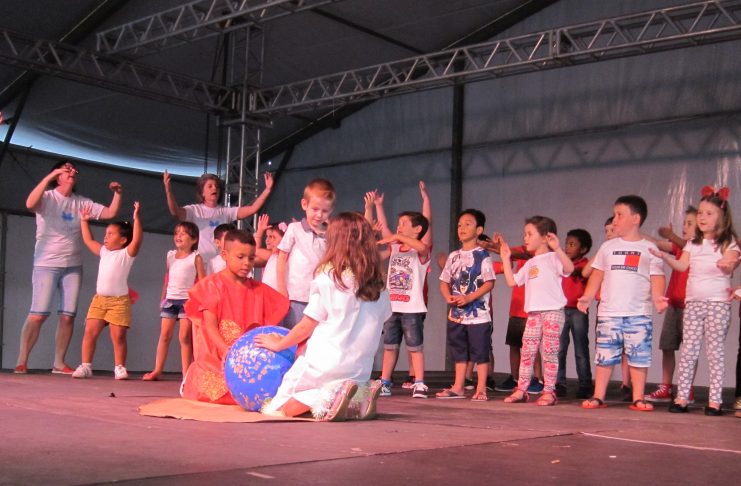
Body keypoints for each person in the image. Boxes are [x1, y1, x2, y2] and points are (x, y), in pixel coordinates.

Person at [256, 212, 391, 420]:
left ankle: (328, 397)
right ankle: (359, 399)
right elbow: (383, 319)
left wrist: (279, 344)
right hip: (359, 367)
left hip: (324, 363)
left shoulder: (329, 280)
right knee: (347, 387)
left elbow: (307, 325)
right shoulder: (380, 286)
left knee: (281, 407)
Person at [15, 160, 122, 375]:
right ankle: (22, 360)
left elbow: (110, 213)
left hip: (72, 265)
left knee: (67, 316)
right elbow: (29, 203)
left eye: (74, 169)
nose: (72, 171)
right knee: (38, 314)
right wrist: (49, 176)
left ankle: (59, 363)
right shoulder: (47, 197)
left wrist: (117, 193)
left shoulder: (80, 202)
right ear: (57, 175)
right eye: (66, 168)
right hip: (46, 263)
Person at [654, 187, 739, 415]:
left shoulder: (728, 242)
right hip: (693, 303)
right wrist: (664, 257)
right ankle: (682, 398)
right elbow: (682, 265)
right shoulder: (693, 243)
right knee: (689, 350)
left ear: (722, 217)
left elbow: (731, 262)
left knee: (715, 352)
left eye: (708, 213)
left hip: (717, 303)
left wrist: (727, 264)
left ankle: (715, 401)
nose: (702, 217)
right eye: (700, 213)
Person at [578, 195, 667, 411]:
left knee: (638, 356)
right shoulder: (607, 247)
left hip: (639, 313)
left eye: (620, 215)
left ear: (636, 219)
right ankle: (598, 395)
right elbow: (597, 275)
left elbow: (657, 276)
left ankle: (638, 397)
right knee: (605, 356)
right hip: (609, 312)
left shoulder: (649, 248)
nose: (615, 220)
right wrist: (587, 296)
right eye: (614, 215)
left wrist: (657, 296)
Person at [182, 229, 289, 404]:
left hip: (247, 361)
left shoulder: (259, 290)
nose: (246, 263)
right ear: (225, 255)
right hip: (217, 359)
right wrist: (227, 351)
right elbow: (210, 326)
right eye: (240, 257)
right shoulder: (211, 285)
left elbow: (280, 306)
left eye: (251, 258)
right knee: (216, 392)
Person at [498, 217, 574, 406]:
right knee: (527, 351)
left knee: (549, 352)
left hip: (552, 311)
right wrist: (505, 259)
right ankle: (521, 389)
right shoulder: (530, 263)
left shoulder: (554, 258)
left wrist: (557, 248)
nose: (525, 237)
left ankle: (549, 391)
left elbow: (569, 268)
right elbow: (512, 281)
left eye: (530, 234)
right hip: (533, 313)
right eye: (525, 234)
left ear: (545, 237)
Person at [368, 182, 432, 399]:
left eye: (404, 224)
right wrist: (378, 205)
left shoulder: (420, 250)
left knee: (415, 347)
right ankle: (385, 382)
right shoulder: (395, 247)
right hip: (392, 306)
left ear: (417, 230)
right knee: (390, 345)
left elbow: (421, 245)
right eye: (399, 224)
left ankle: (420, 382)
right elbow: (385, 229)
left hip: (412, 309)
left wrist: (398, 237)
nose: (399, 227)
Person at [72, 202, 142, 379]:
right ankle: (86, 366)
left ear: (123, 240)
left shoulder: (126, 254)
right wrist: (84, 221)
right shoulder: (104, 251)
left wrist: (136, 219)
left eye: (111, 234)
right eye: (106, 234)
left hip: (119, 301)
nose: (106, 237)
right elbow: (89, 240)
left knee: (118, 336)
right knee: (90, 332)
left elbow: (137, 240)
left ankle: (119, 367)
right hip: (99, 299)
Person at [437, 209, 495, 401]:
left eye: (468, 224)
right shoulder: (454, 256)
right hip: (456, 315)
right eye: (460, 225)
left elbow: (489, 282)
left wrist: (469, 298)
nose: (462, 228)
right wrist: (448, 296)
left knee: (481, 353)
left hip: (478, 316)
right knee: (459, 351)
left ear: (479, 230)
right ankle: (458, 387)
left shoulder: (483, 255)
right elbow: (444, 281)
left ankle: (481, 388)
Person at [163, 170, 273, 265]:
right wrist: (168, 191)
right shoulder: (194, 210)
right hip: (200, 263)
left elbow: (252, 209)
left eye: (216, 186)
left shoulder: (225, 211)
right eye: (210, 186)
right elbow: (175, 212)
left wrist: (267, 190)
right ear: (202, 192)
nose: (214, 188)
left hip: (221, 264)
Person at [645, 206, 697, 403]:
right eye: (684, 223)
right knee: (667, 346)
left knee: (689, 350)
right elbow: (658, 243)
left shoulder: (699, 248)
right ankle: (666, 386)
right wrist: (634, 233)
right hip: (674, 303)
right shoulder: (680, 247)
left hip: (690, 306)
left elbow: (685, 244)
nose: (685, 227)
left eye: (690, 224)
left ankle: (686, 388)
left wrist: (672, 235)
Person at [142, 222, 205, 381]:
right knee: (164, 335)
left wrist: (199, 302)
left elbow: (202, 282)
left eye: (183, 233)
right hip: (170, 300)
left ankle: (186, 373)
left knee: (184, 337)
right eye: (177, 233)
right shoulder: (170, 256)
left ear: (194, 239)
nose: (178, 236)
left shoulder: (195, 257)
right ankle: (157, 370)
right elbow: (167, 279)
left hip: (187, 301)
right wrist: (163, 297)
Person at [276, 179, 336, 328]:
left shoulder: (330, 234)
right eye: (315, 209)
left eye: (325, 211)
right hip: (296, 295)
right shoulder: (294, 228)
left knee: (314, 336)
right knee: (293, 333)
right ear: (304, 204)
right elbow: (281, 258)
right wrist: (281, 288)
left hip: (320, 296)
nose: (319, 215)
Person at [253, 214, 285, 291]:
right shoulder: (271, 256)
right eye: (267, 236)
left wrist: (260, 231)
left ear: (284, 239)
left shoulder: (274, 256)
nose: (267, 240)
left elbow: (254, 250)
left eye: (272, 237)